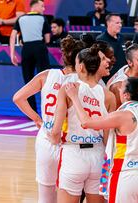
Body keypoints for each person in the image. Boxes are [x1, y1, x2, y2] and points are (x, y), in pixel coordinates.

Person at [65, 77, 138, 203]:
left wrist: (74, 98)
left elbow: (86, 122)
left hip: (125, 175)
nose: (119, 89)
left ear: (126, 95)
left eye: (121, 87)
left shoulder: (123, 115)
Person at [12, 36, 85, 203]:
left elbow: (18, 98)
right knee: (72, 196)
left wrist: (37, 119)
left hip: (47, 139)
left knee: (46, 196)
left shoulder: (47, 75)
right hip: (71, 143)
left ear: (63, 56)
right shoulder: (83, 81)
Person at [49, 47, 116, 203]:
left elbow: (56, 130)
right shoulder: (109, 96)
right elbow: (108, 138)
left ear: (80, 67)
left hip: (73, 153)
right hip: (98, 154)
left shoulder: (68, 89)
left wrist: (54, 140)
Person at [10, 0, 51, 112]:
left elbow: (13, 36)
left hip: (26, 49)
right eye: (42, 6)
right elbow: (47, 39)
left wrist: (12, 53)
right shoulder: (43, 18)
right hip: (39, 47)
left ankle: (31, 112)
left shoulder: (21, 18)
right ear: (35, 6)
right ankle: (47, 110)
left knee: (28, 81)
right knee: (46, 80)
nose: (43, 9)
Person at [107, 43, 138, 108]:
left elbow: (108, 82)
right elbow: (116, 113)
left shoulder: (126, 68)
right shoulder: (119, 86)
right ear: (130, 62)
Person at [97, 13, 126, 82]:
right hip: (108, 78)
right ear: (108, 23)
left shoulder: (122, 37)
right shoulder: (101, 39)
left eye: (120, 23)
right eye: (117, 23)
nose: (120, 25)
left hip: (122, 76)